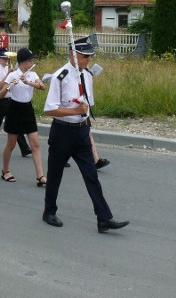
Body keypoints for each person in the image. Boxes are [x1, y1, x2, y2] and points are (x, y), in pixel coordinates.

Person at [42, 37, 129, 233]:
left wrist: (85, 122)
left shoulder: (86, 75)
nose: (89, 59)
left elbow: (88, 105)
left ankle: (104, 218)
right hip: (63, 131)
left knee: (91, 176)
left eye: (90, 56)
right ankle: (49, 211)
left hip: (81, 131)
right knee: (55, 174)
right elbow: (49, 109)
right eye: (85, 56)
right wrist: (75, 111)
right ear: (74, 54)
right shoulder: (60, 76)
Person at [0, 48, 47, 186]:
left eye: (32, 60)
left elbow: (42, 86)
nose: (32, 62)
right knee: (11, 144)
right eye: (30, 60)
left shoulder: (32, 74)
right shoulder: (12, 75)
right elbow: (1, 95)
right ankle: (5, 170)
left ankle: (40, 176)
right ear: (22, 62)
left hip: (28, 109)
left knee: (35, 143)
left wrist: (28, 83)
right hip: (14, 109)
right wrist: (10, 86)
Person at [0, 49, 33, 157]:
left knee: (15, 123)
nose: (6, 60)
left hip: (9, 99)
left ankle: (24, 148)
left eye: (6, 58)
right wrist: (8, 74)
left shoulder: (8, 68)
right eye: (3, 58)